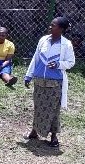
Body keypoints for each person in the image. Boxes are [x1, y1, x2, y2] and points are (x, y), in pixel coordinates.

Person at [24, 17, 76, 148]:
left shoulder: (66, 44)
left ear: (61, 29)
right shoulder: (43, 40)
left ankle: (54, 136)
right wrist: (29, 75)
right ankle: (34, 131)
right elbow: (36, 58)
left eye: (53, 25)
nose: (50, 27)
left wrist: (59, 64)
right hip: (39, 80)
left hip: (55, 83)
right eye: (51, 24)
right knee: (38, 106)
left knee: (53, 109)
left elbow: (71, 62)